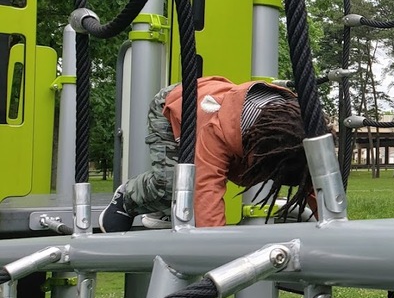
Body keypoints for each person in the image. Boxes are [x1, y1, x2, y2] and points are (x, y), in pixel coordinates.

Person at [99, 76, 314, 231]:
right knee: (171, 183)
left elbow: (314, 177)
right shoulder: (217, 130)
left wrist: (331, 223)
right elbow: (207, 188)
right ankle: (128, 197)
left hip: (218, 98)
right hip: (173, 104)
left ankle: (164, 210)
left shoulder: (296, 125)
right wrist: (214, 251)